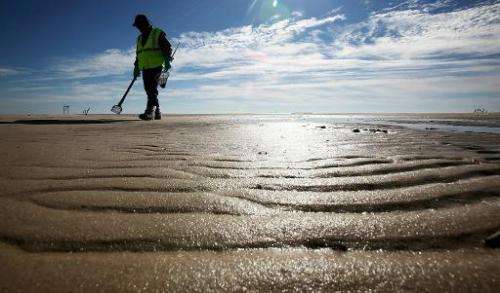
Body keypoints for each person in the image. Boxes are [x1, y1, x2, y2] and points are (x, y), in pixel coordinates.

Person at [132, 14, 172, 120]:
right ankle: (157, 111)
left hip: (157, 65)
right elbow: (139, 54)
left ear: (145, 24)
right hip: (145, 67)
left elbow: (167, 47)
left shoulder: (156, 33)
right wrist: (136, 67)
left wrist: (167, 60)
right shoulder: (139, 38)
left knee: (151, 89)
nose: (138, 28)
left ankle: (149, 112)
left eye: (139, 26)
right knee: (149, 89)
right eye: (137, 26)